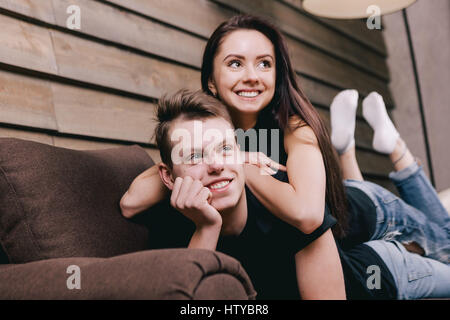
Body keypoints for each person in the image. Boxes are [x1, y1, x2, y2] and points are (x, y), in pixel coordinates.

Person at [122, 15, 450, 299]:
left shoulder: (293, 126)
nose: (252, 75)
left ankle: (388, 147)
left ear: (277, 75)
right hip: (341, 244)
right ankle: (346, 149)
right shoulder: (203, 130)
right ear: (211, 80)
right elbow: (133, 200)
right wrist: (228, 155)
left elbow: (308, 216)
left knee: (446, 244)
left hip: (362, 208)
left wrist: (238, 162)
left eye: (264, 63)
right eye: (236, 63)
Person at [142, 89, 344, 299]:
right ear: (168, 176)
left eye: (225, 149)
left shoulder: (288, 204)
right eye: (194, 156)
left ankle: (347, 151)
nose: (216, 165)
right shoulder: (165, 222)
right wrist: (206, 229)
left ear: (241, 153)